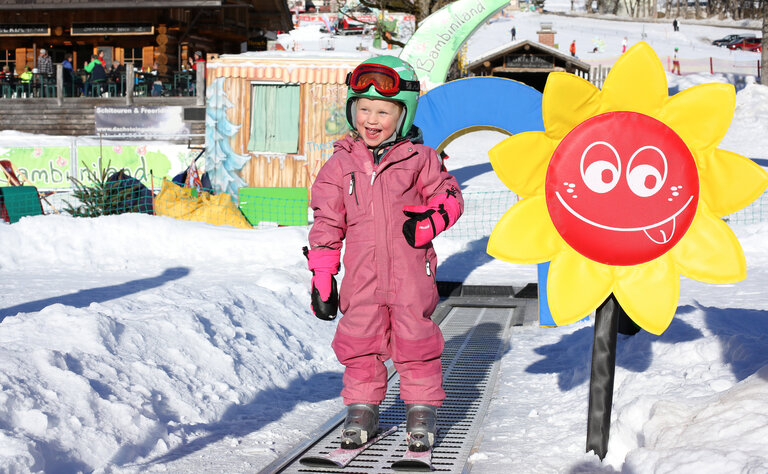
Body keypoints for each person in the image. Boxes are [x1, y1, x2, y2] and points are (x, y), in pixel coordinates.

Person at [306, 56, 463, 453]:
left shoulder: (422, 160)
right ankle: (362, 409)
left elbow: (450, 198)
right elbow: (326, 224)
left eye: (382, 111)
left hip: (411, 274)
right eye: (363, 108)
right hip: (361, 277)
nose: (371, 119)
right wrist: (323, 276)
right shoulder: (339, 166)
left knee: (416, 341)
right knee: (359, 341)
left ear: (403, 113)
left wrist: (429, 223)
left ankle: (421, 411)